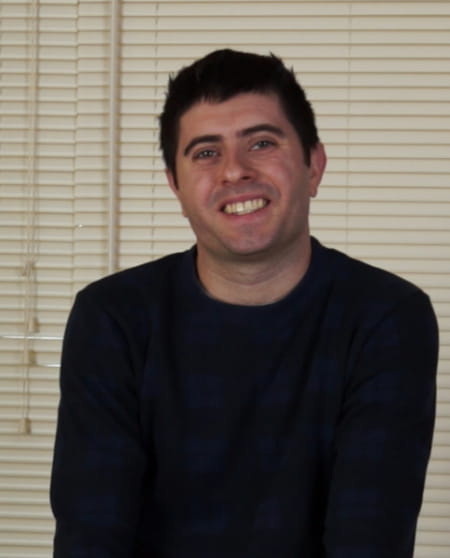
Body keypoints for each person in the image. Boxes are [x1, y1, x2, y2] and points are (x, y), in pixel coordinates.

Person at [51, 49, 439, 557]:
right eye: (206, 152)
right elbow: (91, 536)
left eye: (261, 143)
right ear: (176, 187)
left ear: (314, 166)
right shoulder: (113, 318)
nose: (235, 171)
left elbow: (369, 540)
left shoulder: (386, 317)